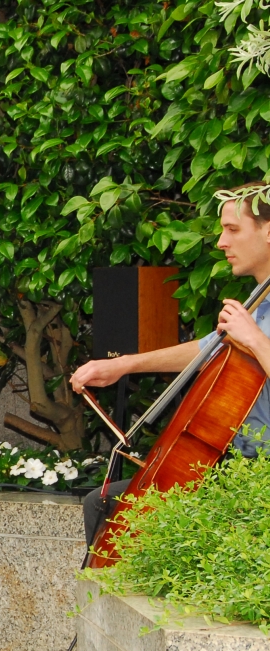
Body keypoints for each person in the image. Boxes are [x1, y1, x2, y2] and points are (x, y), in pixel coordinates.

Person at [72, 181, 270, 547]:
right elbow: (207, 350)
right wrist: (123, 365)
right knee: (106, 503)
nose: (222, 242)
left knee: (122, 511)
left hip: (261, 481)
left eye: (233, 229)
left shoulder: (255, 318)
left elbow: (247, 345)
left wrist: (254, 339)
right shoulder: (260, 303)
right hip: (236, 469)